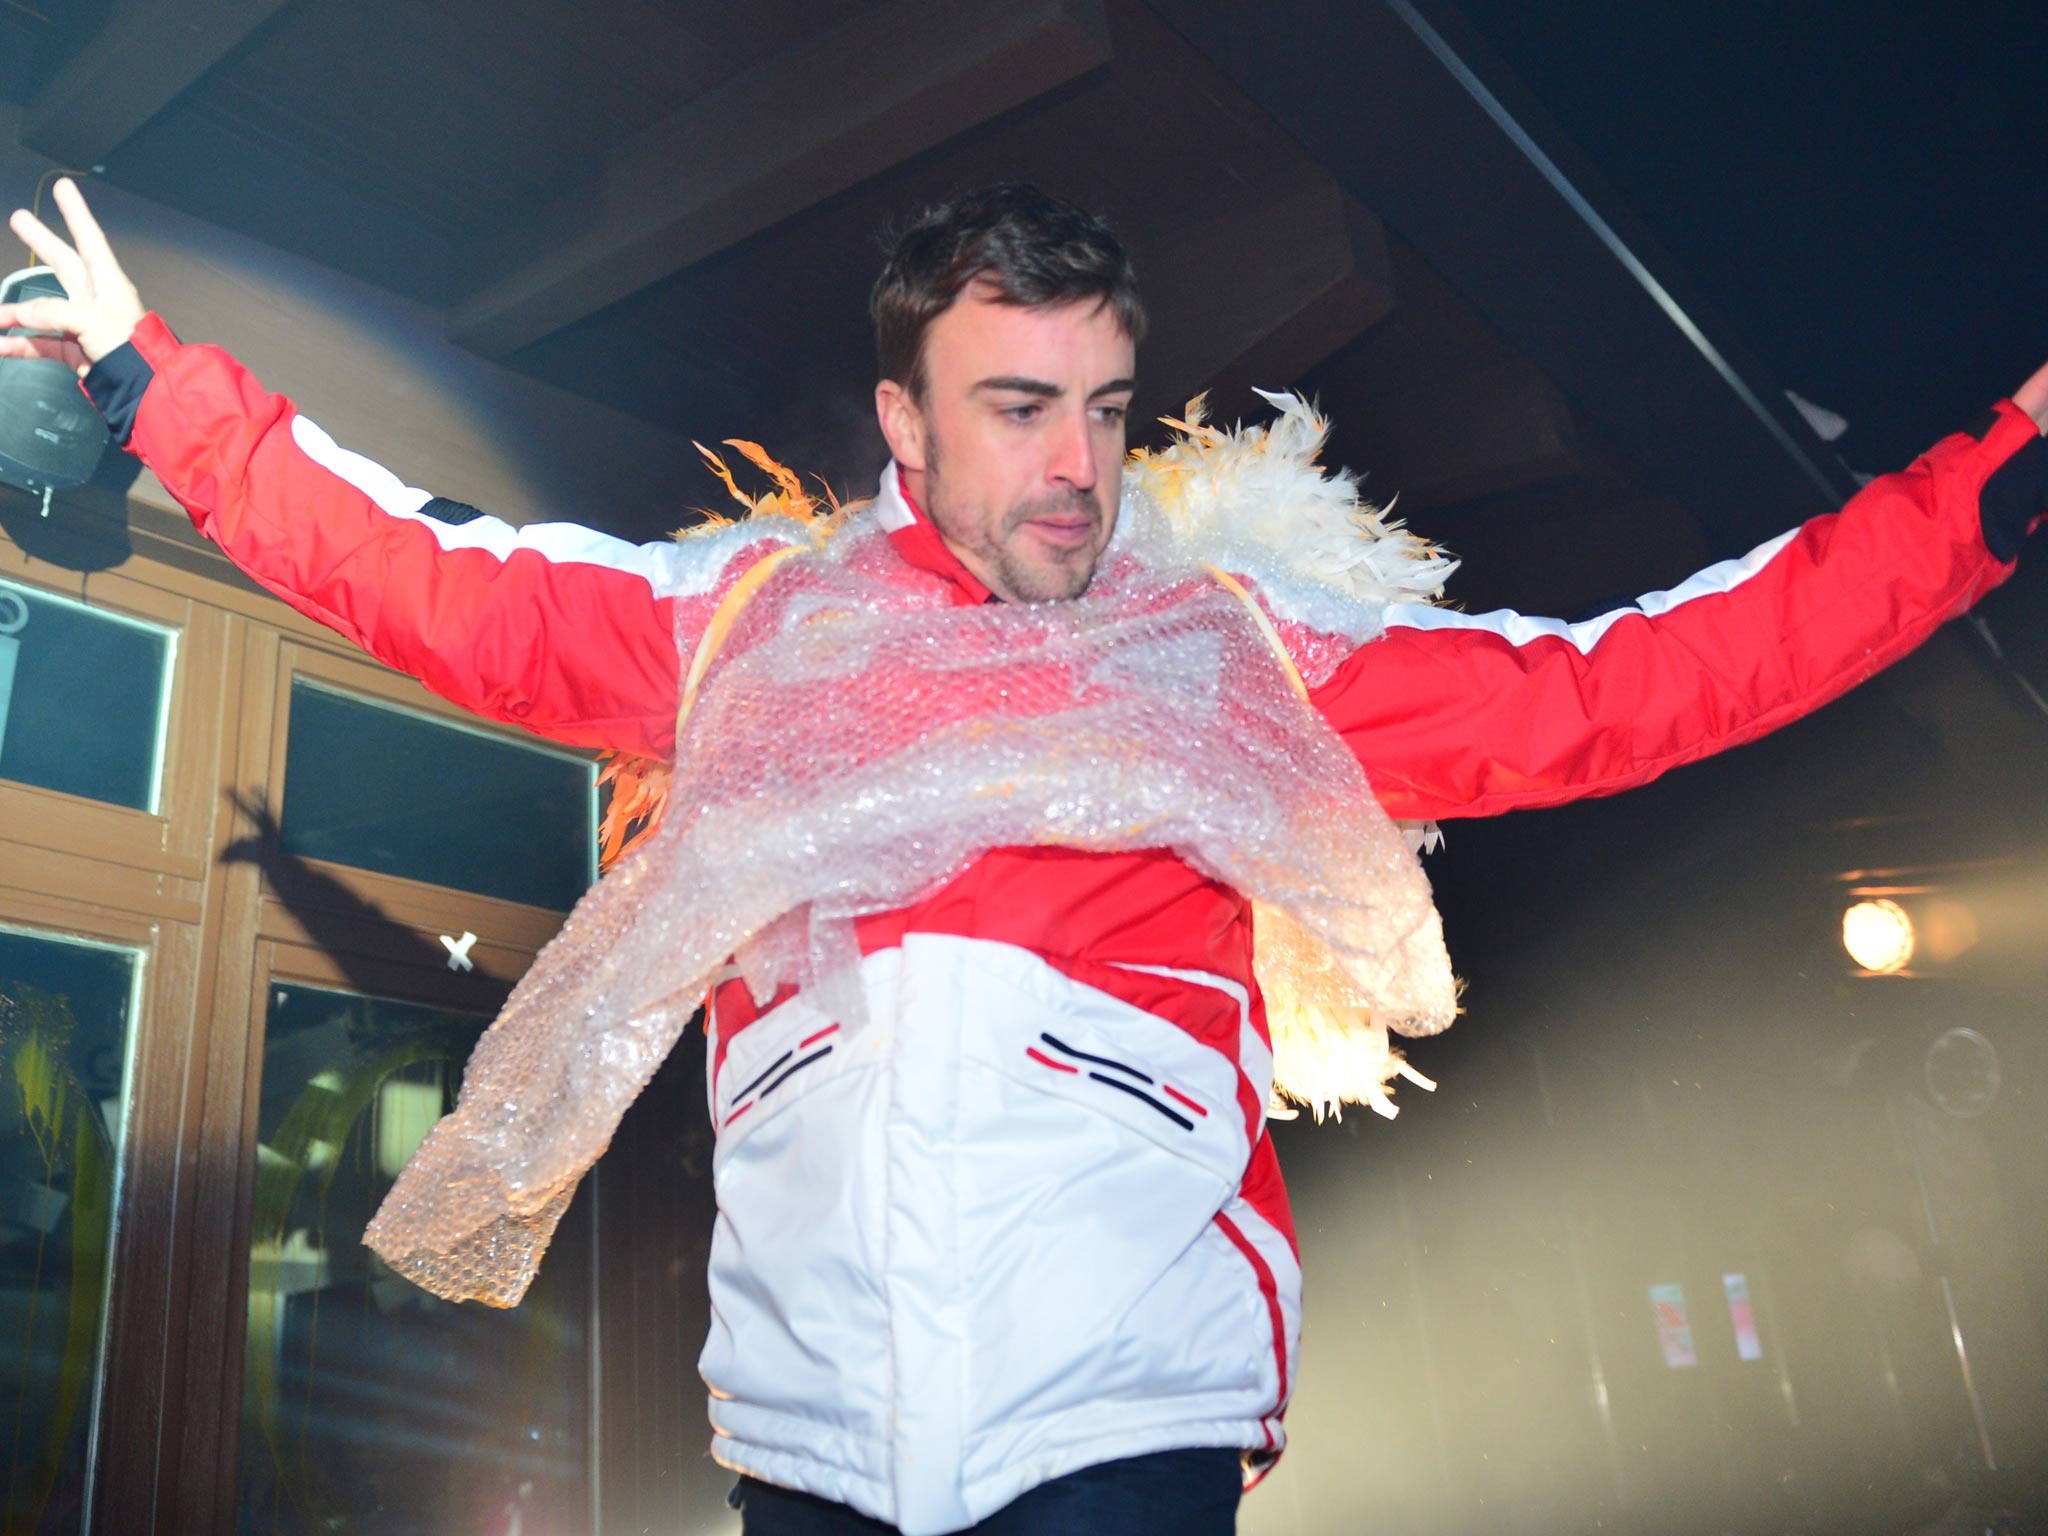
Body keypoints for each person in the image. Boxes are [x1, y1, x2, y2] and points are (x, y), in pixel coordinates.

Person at [4, 178, 2044, 1536]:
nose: (1073, 464)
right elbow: (430, 581)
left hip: (1117, 1415)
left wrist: (1986, 493)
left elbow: (1641, 675)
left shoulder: (1236, 648)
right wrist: (158, 387)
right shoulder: (739, 623)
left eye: (1102, 407)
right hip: (806, 1419)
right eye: (1013, 408)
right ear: (905, 425)